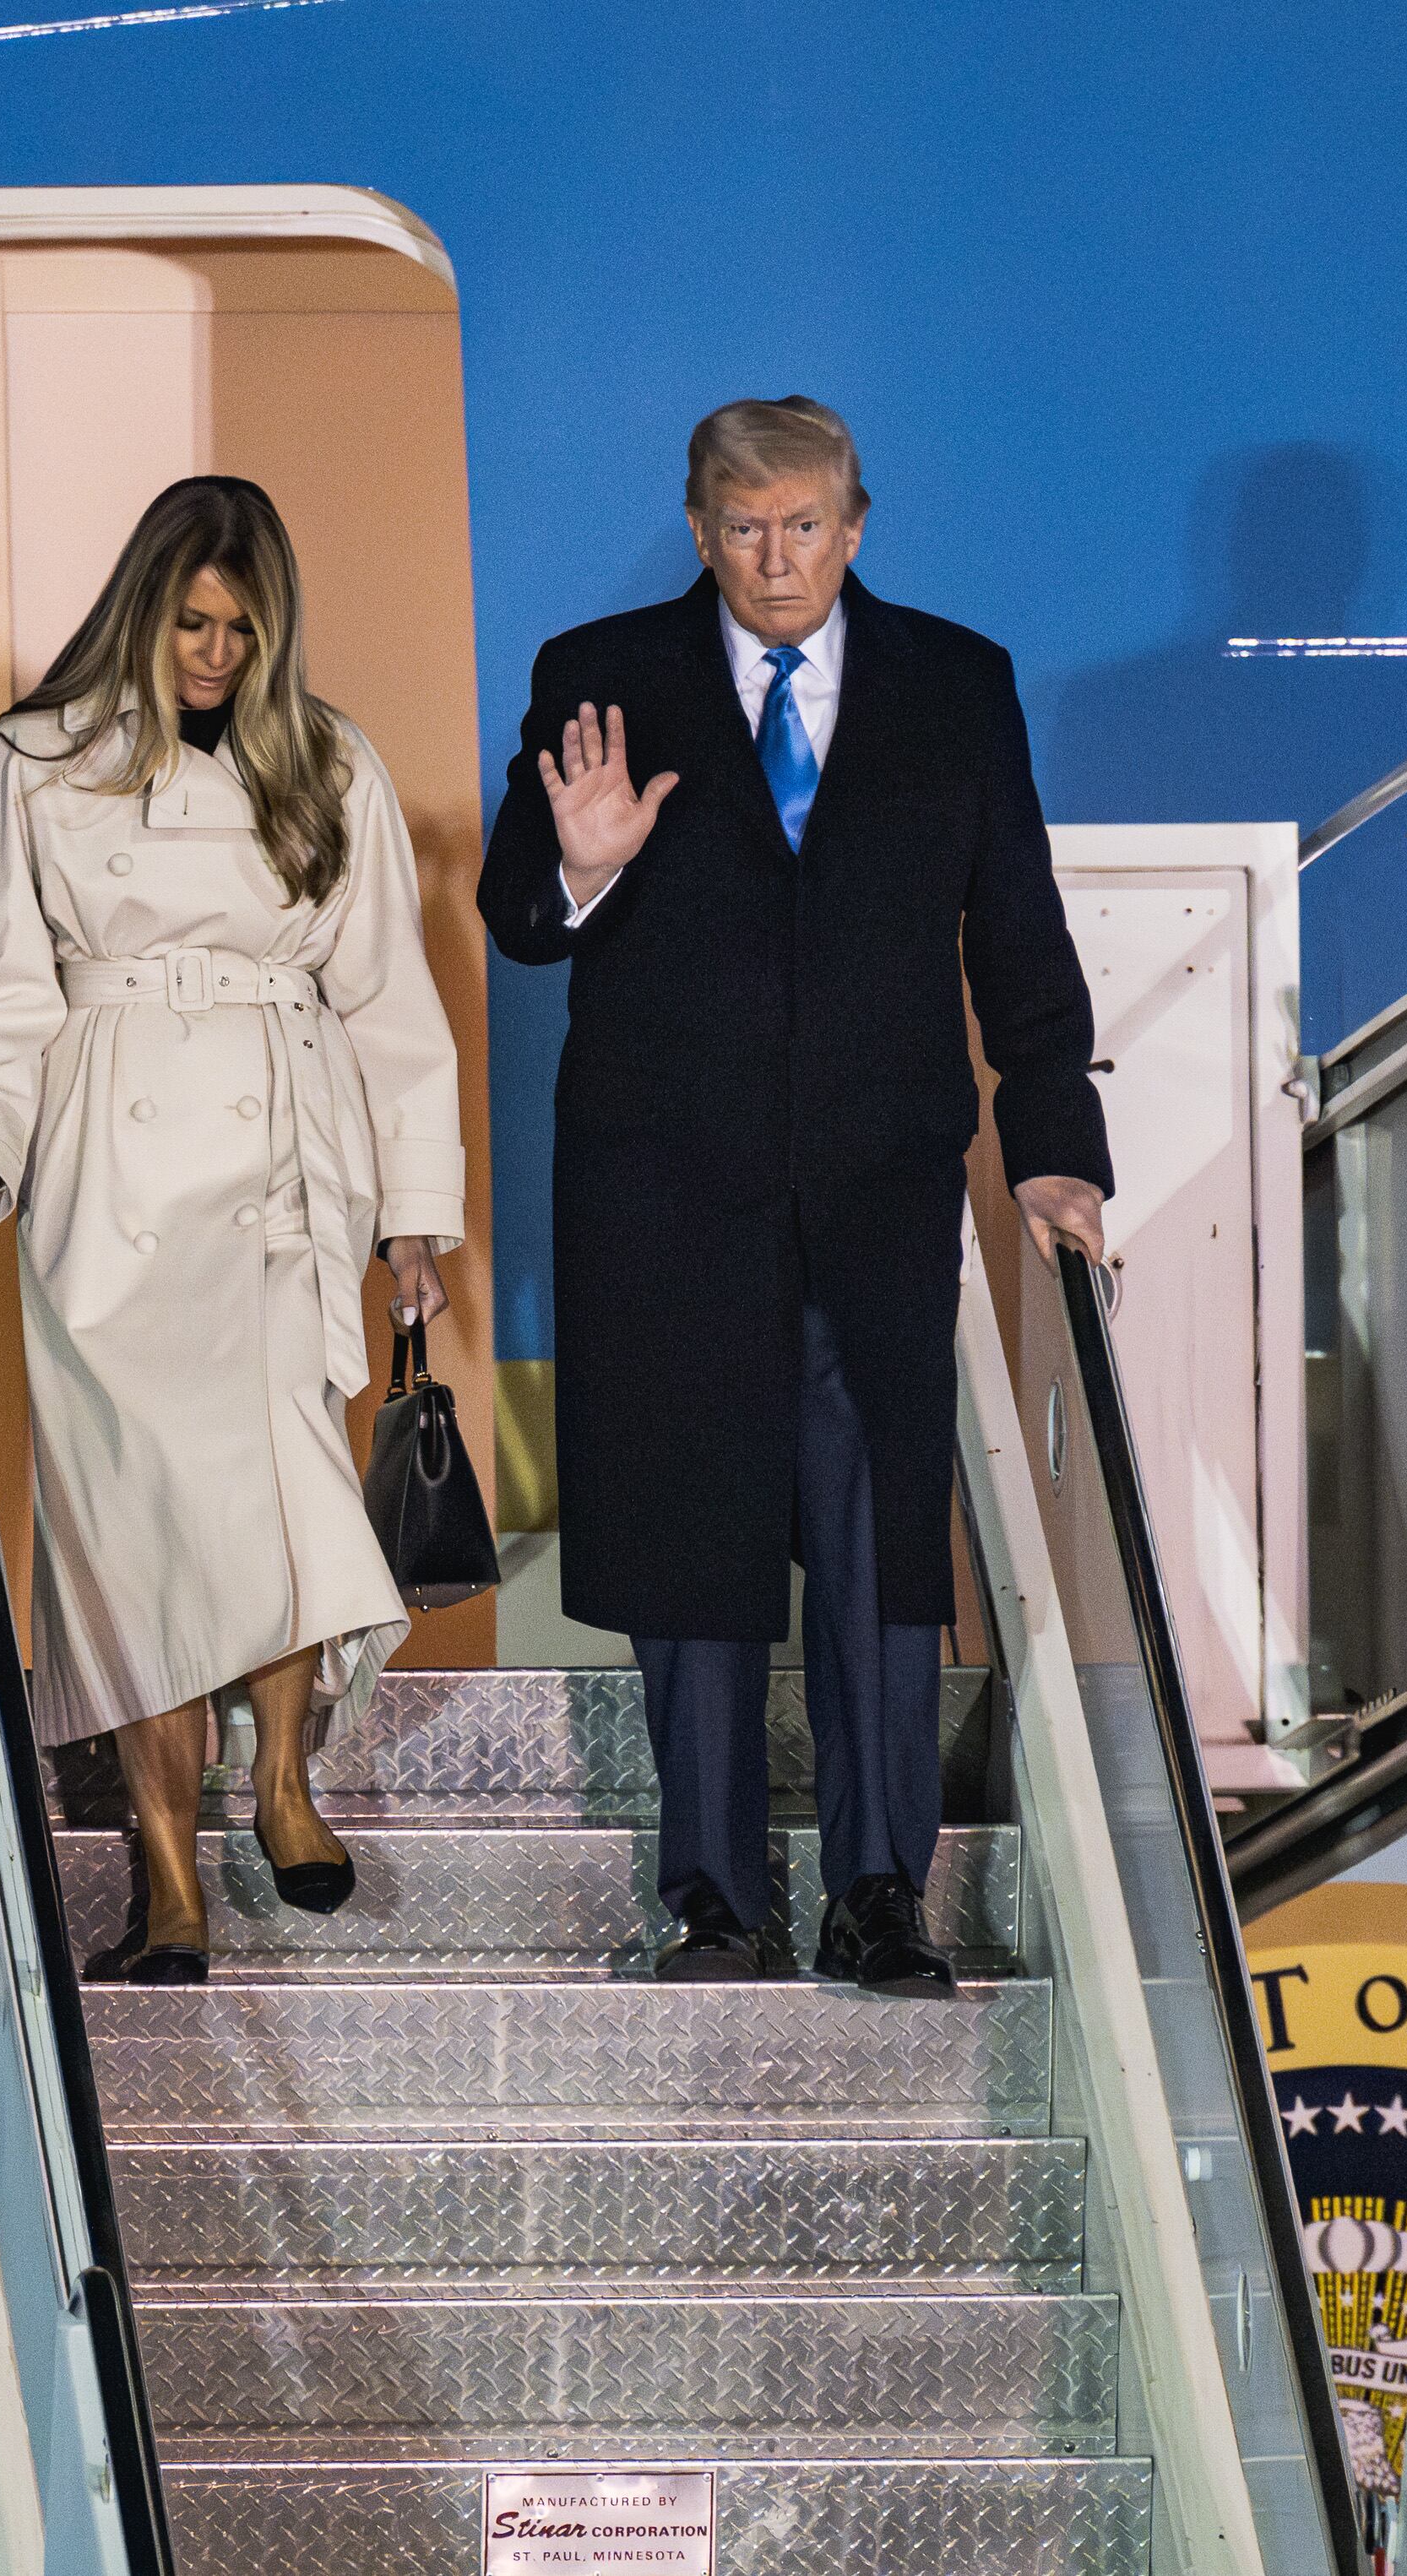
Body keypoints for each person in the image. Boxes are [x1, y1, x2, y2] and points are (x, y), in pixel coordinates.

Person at [477, 398, 1112, 1995]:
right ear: (697, 526)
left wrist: (1055, 1149)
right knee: (695, 1548)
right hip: (664, 1196)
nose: (776, 559)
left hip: (878, 1193)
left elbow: (1020, 942)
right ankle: (713, 1899)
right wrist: (585, 864)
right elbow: (516, 918)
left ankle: (880, 1893)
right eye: (744, 527)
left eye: (806, 524)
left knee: (883, 1548)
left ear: (858, 520)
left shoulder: (959, 687)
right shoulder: (597, 674)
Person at [0, 475, 466, 1983]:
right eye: (192, 622)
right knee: (139, 1528)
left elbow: (390, 1003)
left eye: (242, 630)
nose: (214, 654)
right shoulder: (36, 760)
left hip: (283, 1159)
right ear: (143, 606)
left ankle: (282, 1783)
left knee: (281, 1484)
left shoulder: (326, 758)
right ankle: (165, 1871)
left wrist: (417, 1209)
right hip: (112, 1169)